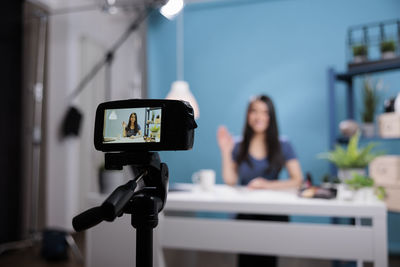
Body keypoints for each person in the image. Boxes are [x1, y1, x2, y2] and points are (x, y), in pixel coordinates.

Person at [217, 94, 303, 267]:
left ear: (271, 117)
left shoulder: (283, 144)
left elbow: (298, 180)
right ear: (248, 115)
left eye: (264, 112)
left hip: (273, 214)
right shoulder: (237, 145)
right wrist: (226, 151)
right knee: (246, 260)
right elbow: (230, 180)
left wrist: (267, 185)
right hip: (246, 213)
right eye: (254, 111)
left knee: (268, 261)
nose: (259, 117)